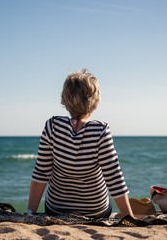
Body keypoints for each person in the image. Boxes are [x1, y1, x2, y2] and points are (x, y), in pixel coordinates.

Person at [27, 68, 134, 219]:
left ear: (64, 101)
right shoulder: (100, 130)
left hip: (56, 209)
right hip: (95, 211)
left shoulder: (52, 126)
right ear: (96, 103)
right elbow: (113, 176)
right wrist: (128, 216)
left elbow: (41, 172)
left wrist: (30, 213)